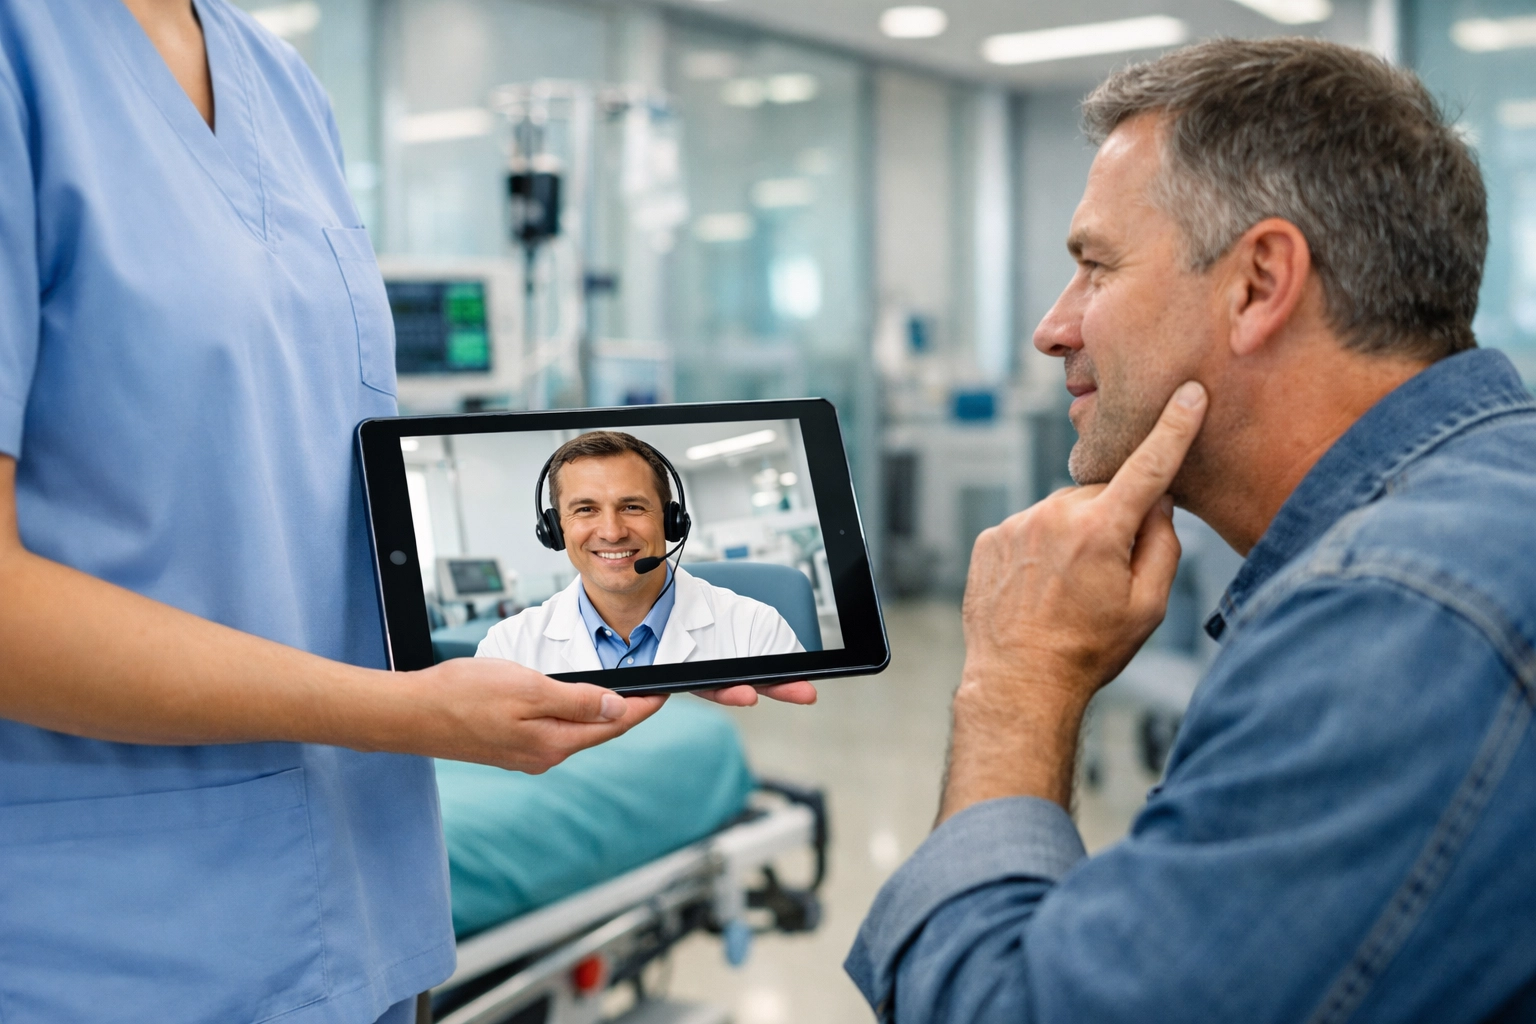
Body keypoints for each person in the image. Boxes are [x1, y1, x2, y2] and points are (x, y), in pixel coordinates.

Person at [0, 3, 811, 1022]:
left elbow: (290, 481)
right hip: (111, 944)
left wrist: (599, 632)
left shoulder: (281, 85)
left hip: (367, 915)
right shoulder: (23, 58)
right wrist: (396, 713)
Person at [848, 37, 1536, 1023]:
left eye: (1095, 267)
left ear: (1259, 281)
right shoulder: (1491, 492)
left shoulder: (1401, 616)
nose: (1052, 326)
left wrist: (1016, 685)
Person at [479, 431, 805, 670]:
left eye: (632, 506)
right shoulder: (507, 649)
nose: (612, 532)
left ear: (670, 520)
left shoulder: (754, 630)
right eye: (585, 510)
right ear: (555, 529)